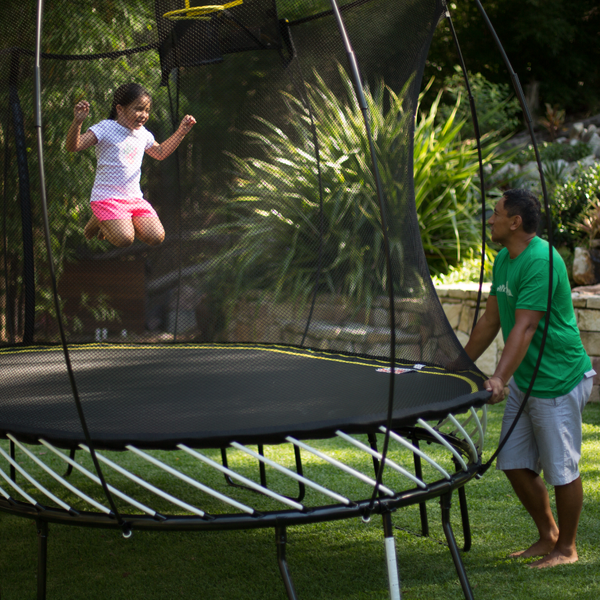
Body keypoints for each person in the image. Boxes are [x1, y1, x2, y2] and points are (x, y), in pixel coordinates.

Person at [463, 188, 594, 569]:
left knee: (562, 469)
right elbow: (490, 320)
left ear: (515, 221)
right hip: (527, 377)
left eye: (496, 213)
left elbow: (526, 326)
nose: (491, 219)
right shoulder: (504, 258)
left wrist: (499, 378)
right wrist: (456, 365)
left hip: (557, 378)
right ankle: (548, 535)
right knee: (513, 461)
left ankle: (567, 549)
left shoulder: (542, 261)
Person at [65, 82, 196, 248]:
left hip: (134, 199)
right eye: (138, 109)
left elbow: (161, 152)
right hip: (107, 198)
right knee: (125, 239)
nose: (143, 115)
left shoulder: (143, 134)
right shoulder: (106, 128)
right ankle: (100, 217)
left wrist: (180, 133)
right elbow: (73, 146)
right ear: (120, 109)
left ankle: (102, 218)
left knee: (156, 236)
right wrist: (77, 122)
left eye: (147, 110)